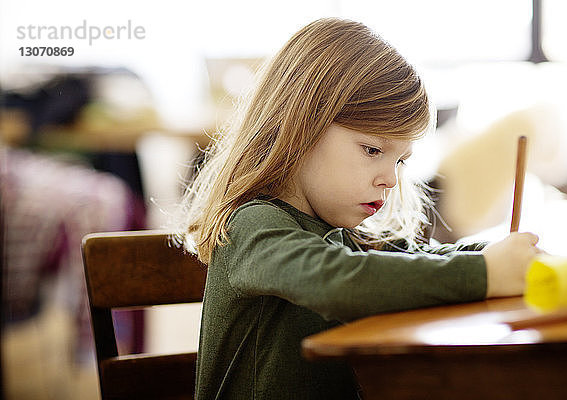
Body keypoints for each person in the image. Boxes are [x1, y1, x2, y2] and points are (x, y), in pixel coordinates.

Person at [175, 18, 540, 400]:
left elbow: (417, 258)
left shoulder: (338, 233)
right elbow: (338, 281)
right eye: (373, 150)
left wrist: (501, 259)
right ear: (301, 126)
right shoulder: (253, 224)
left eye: (401, 161)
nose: (391, 179)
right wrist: (485, 273)